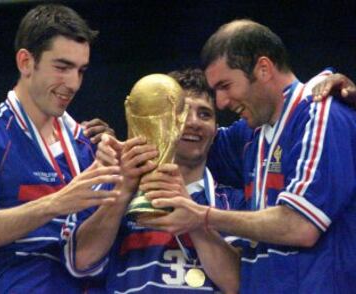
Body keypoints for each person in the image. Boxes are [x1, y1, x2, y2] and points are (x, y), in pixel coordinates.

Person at [141, 20, 356, 293]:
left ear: (263, 69)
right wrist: (113, 143)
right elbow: (185, 142)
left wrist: (202, 216)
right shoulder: (251, 134)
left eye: (225, 85)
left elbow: (300, 225)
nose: (220, 102)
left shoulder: (319, 113)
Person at [62, 68, 245, 293]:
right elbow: (79, 262)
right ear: (160, 120)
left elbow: (239, 284)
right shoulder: (112, 189)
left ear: (216, 130)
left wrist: (196, 220)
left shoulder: (232, 202)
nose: (193, 122)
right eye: (182, 112)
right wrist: (123, 192)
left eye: (205, 114)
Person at [0, 4, 121, 293]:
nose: (74, 83)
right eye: (62, 67)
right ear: (26, 62)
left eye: (81, 70)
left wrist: (124, 179)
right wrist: (57, 203)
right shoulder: (1, 135)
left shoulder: (87, 144)